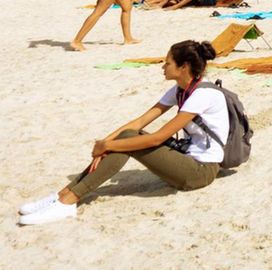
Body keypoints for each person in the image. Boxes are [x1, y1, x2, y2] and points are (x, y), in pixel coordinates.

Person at [16, 39, 228, 224]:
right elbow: (140, 122)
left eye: (168, 63)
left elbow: (159, 138)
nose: (162, 67)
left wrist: (108, 145)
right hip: (187, 158)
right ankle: (64, 194)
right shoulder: (180, 89)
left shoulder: (203, 94)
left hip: (200, 171)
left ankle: (69, 200)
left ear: (183, 67)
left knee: (125, 141)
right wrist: (103, 143)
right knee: (124, 137)